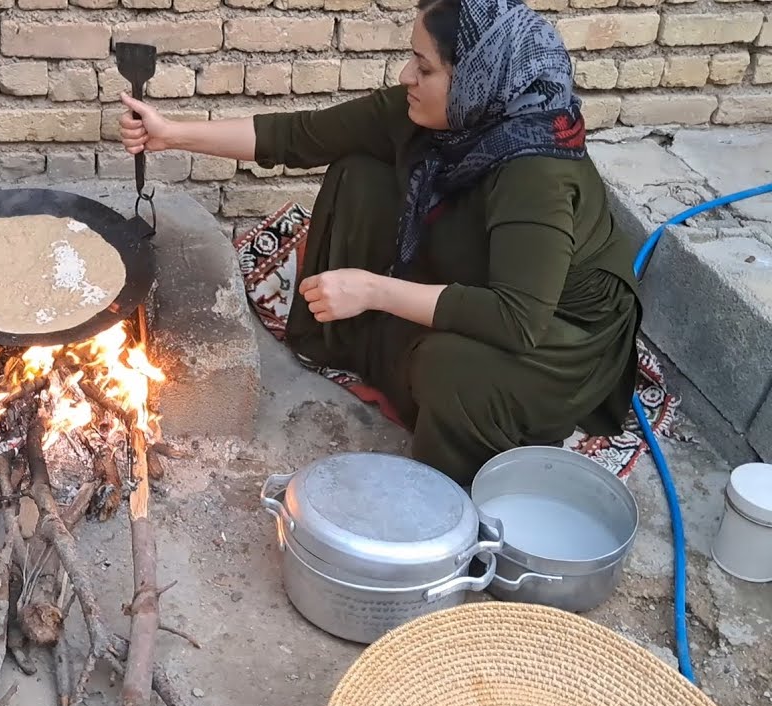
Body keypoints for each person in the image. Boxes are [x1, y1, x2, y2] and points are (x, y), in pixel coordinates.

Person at [118, 0, 640, 484]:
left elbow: (518, 320)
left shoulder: (536, 171)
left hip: (557, 338)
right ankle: (356, 345)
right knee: (359, 175)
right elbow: (300, 136)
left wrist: (372, 290)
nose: (407, 75)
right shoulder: (439, 114)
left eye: (426, 67)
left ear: (477, 79)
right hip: (487, 280)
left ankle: (457, 479)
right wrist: (171, 134)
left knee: (448, 369)